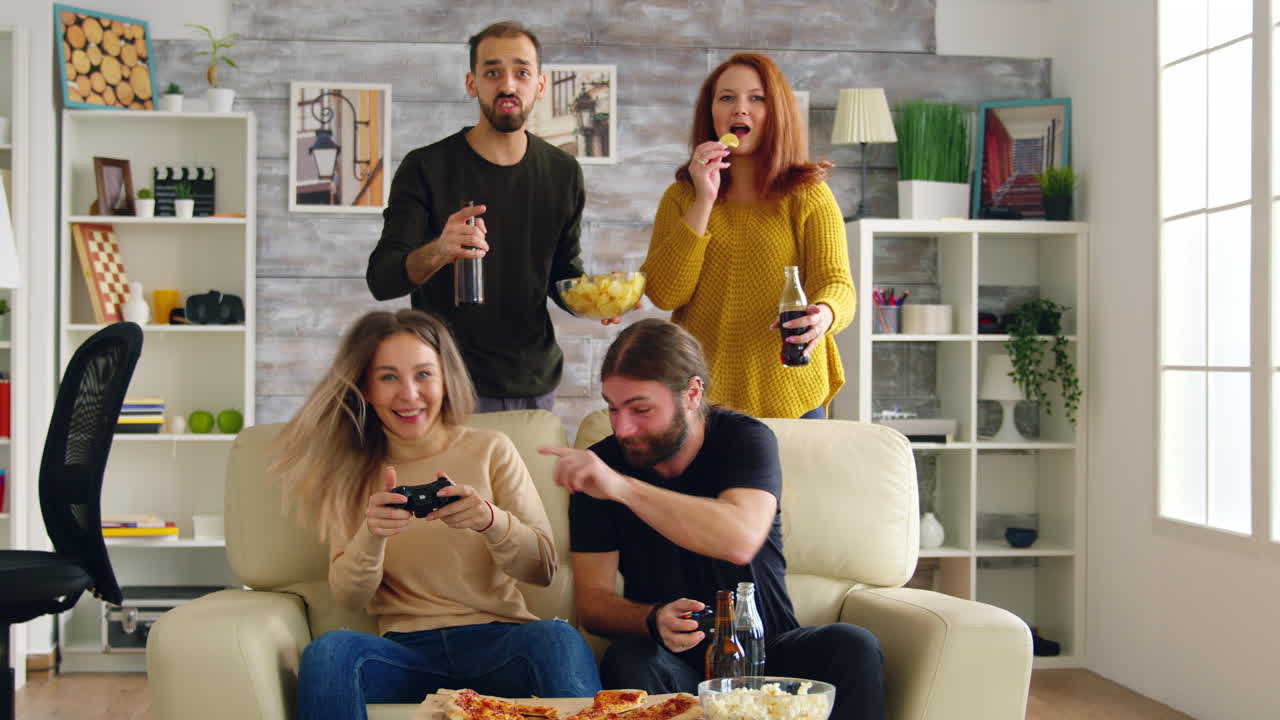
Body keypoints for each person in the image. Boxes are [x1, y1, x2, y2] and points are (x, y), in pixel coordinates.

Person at [541, 319, 885, 720]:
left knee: (852, 645)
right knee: (630, 661)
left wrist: (621, 488)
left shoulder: (743, 440)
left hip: (771, 655)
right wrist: (649, 619)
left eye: (641, 409)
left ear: (691, 393)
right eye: (613, 408)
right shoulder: (603, 466)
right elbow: (593, 605)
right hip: (677, 664)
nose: (623, 428)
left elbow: (739, 537)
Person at [276, 309, 601, 719]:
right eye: (389, 377)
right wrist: (372, 534)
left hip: (501, 643)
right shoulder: (352, 471)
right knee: (329, 652)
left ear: (446, 378)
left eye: (424, 374)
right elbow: (350, 596)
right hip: (406, 654)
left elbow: (543, 569)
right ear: (365, 388)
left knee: (557, 638)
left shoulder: (490, 448)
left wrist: (490, 521)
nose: (409, 395)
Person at [366, 21, 613, 414]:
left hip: (533, 382)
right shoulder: (426, 167)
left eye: (522, 72)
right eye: (493, 72)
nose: (508, 85)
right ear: (472, 83)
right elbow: (382, 278)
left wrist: (600, 300)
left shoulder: (563, 172)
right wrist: (439, 251)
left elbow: (563, 274)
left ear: (541, 85)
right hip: (447, 382)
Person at [641, 53, 856, 419]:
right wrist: (704, 199)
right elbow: (665, 293)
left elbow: (838, 284)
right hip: (702, 400)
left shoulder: (808, 195)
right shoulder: (682, 197)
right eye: (726, 98)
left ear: (777, 113)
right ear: (710, 112)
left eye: (757, 98)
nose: (740, 109)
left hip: (793, 394)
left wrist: (825, 315)